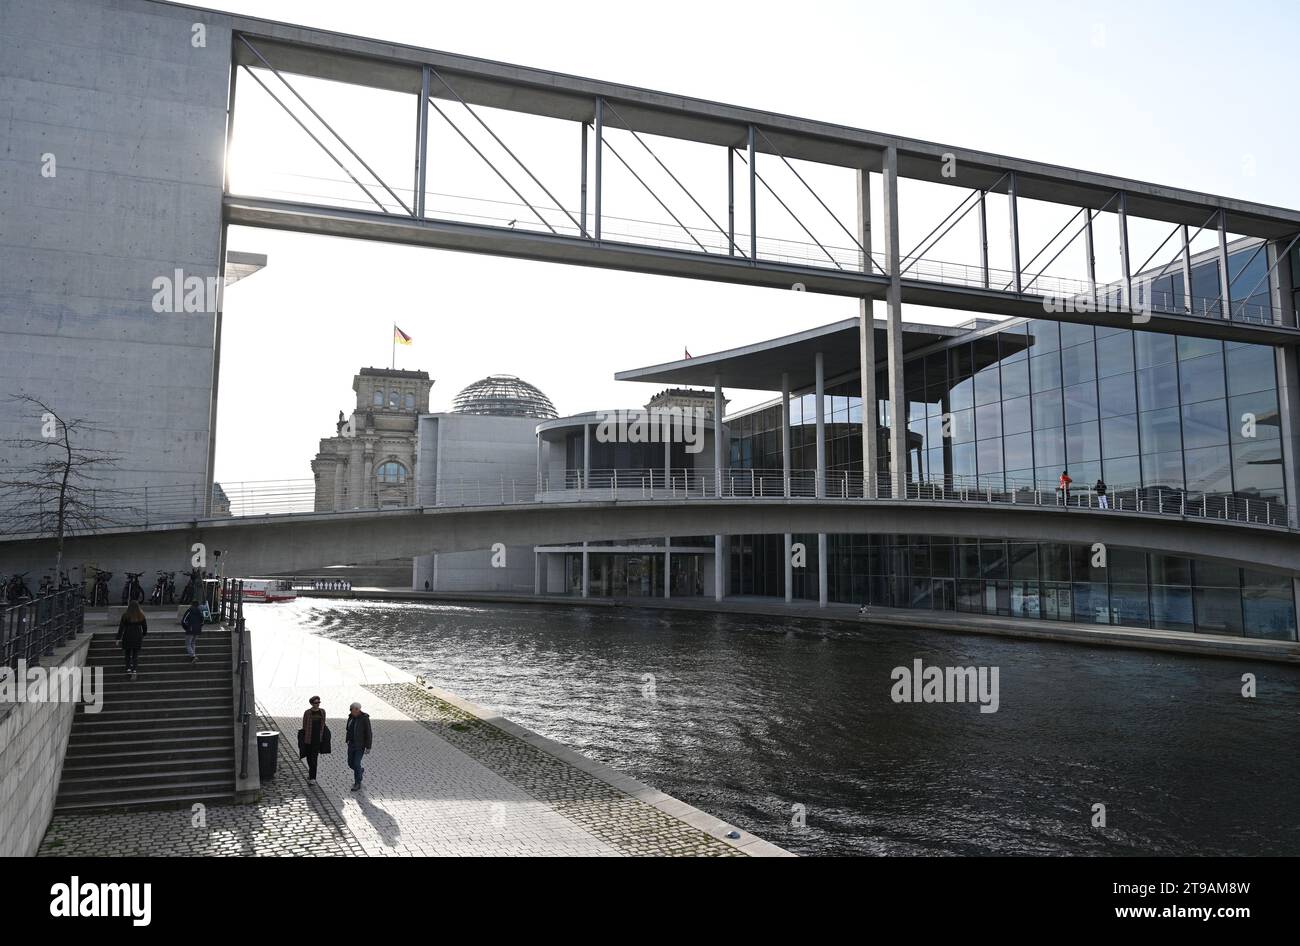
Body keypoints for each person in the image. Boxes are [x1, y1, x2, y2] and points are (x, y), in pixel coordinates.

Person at [346, 701, 373, 792]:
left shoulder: (364, 718)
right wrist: (348, 740)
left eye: (351, 710)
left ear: (357, 710)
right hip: (351, 744)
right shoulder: (351, 717)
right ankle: (360, 770)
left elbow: (368, 733)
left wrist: (368, 747)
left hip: (360, 746)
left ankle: (358, 782)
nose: (350, 711)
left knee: (356, 763)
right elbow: (348, 729)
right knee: (350, 763)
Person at [116, 601, 148, 678]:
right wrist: (143, 634)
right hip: (137, 635)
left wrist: (118, 638)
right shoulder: (141, 615)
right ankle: (134, 669)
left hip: (127, 635)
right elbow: (145, 627)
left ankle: (128, 668)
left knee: (127, 653)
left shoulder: (125, 615)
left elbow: (121, 628)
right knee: (135, 654)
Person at [301, 696, 326, 783]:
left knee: (314, 758)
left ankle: (312, 778)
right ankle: (311, 772)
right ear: (312, 703)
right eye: (316, 703)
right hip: (308, 738)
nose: (317, 704)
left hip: (317, 739)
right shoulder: (307, 712)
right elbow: (304, 725)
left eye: (319, 702)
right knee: (308, 757)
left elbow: (323, 724)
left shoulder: (322, 711)